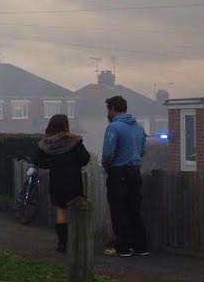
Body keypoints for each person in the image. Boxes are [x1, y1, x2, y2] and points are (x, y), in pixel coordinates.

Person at [34, 114, 91, 253]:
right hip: (73, 180)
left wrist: (53, 164)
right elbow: (85, 159)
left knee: (61, 211)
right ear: (66, 125)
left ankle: (62, 244)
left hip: (57, 181)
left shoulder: (46, 143)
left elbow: (38, 161)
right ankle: (78, 242)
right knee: (77, 210)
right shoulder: (75, 141)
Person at [102, 95, 149, 258]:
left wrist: (107, 167)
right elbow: (142, 150)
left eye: (108, 109)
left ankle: (123, 247)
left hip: (118, 172)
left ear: (113, 109)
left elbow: (108, 153)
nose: (107, 113)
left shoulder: (114, 127)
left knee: (118, 210)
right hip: (135, 172)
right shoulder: (138, 127)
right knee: (134, 210)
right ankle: (141, 246)